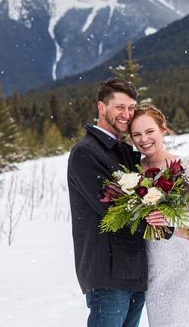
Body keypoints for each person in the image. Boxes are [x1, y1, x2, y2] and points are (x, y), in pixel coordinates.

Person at [67, 78, 150, 327]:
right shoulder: (87, 152)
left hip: (134, 271)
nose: (127, 114)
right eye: (119, 107)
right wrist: (167, 225)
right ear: (101, 108)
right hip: (107, 272)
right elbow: (117, 211)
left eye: (131, 108)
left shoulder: (123, 150)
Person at [129, 103, 189, 327]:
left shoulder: (185, 165)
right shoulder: (132, 173)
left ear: (162, 129)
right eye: (136, 134)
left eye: (150, 131)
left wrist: (174, 220)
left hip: (187, 266)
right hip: (155, 270)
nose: (144, 139)